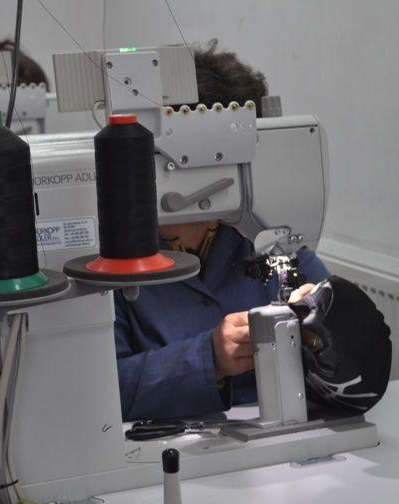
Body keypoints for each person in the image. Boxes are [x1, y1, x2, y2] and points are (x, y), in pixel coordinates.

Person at [114, 40, 330, 421]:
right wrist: (208, 358)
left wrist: (324, 327)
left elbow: (349, 337)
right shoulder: (112, 258)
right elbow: (101, 389)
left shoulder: (261, 225)